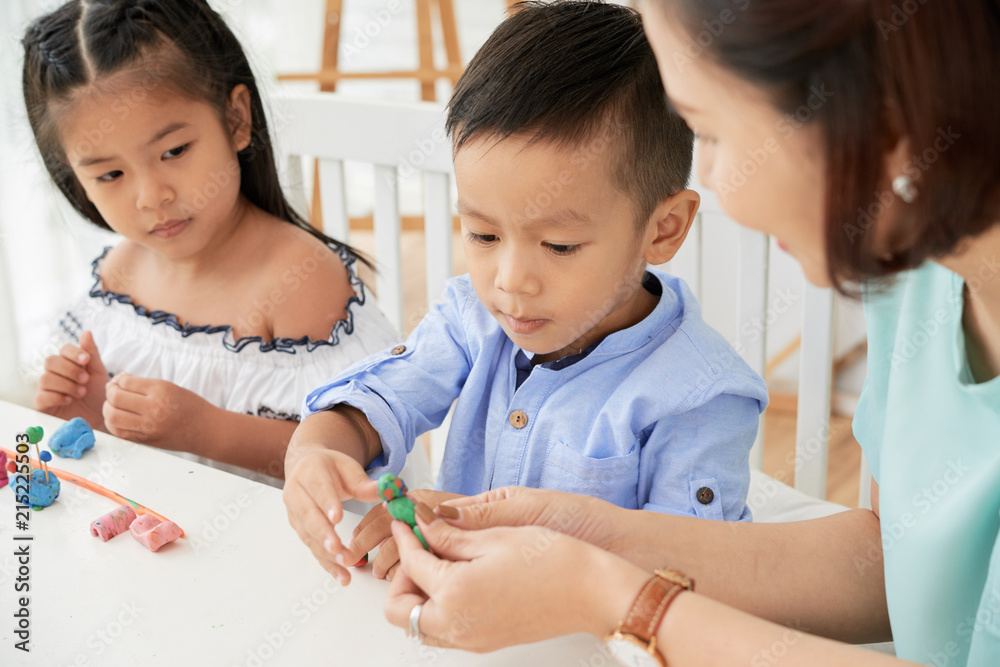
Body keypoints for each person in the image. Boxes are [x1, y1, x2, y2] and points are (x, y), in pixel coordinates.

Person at [382, 0, 1000, 665]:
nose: (711, 184)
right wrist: (592, 541)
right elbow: (896, 558)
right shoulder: (910, 271)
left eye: (707, 130)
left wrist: (607, 594)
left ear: (868, 105)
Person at [283, 0, 769, 586]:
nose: (510, 280)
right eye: (483, 234)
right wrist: (318, 449)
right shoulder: (473, 318)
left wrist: (485, 535)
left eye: (559, 245)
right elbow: (381, 401)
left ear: (662, 228)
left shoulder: (700, 396)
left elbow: (691, 578)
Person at [23, 0, 398, 485]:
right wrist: (94, 409)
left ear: (237, 119)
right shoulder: (118, 279)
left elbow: (357, 449)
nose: (152, 196)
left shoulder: (300, 281)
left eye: (174, 151)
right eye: (110, 174)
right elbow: (144, 462)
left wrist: (204, 430)